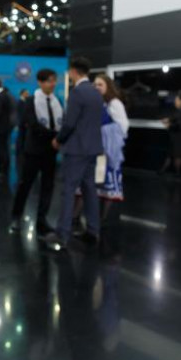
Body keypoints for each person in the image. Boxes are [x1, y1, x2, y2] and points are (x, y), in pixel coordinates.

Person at [52, 57, 104, 246]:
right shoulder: (96, 92)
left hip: (76, 150)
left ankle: (62, 234)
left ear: (74, 71)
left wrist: (58, 140)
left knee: (68, 190)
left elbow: (69, 123)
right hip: (92, 149)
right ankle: (92, 230)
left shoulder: (77, 92)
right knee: (90, 190)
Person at [10, 69, 64, 237]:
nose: (52, 84)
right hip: (33, 151)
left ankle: (42, 220)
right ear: (40, 82)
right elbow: (32, 125)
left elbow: (62, 122)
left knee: (48, 187)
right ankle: (16, 216)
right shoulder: (31, 101)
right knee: (25, 185)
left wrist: (59, 138)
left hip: (51, 152)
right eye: (49, 81)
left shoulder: (57, 101)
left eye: (54, 80)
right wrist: (56, 136)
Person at [93, 74, 129, 211]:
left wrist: (104, 133)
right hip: (97, 150)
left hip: (109, 152)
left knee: (107, 184)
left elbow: (123, 126)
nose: (97, 87)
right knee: (98, 182)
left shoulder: (114, 103)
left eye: (100, 84)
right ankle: (96, 217)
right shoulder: (97, 102)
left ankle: (103, 218)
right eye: (95, 84)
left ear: (108, 86)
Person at [160, 92, 181, 175]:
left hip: (180, 137)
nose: (175, 101)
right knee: (170, 155)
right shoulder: (180, 111)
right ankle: (164, 170)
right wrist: (168, 120)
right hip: (175, 137)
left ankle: (177, 173)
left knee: (177, 156)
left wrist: (169, 125)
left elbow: (180, 124)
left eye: (177, 100)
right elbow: (174, 118)